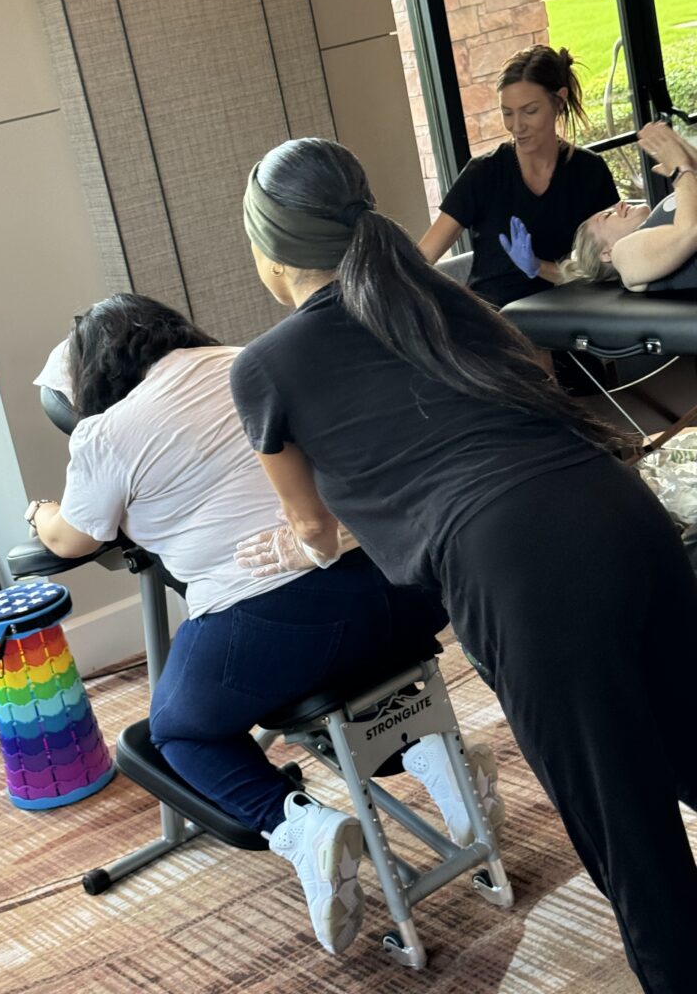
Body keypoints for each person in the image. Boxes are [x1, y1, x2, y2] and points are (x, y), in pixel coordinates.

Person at [230, 137, 697, 994]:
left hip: (520, 571)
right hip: (620, 511)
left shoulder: (264, 366)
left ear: (269, 248)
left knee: (628, 831)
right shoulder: (450, 303)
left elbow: (314, 528)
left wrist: (297, 543)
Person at [25, 293, 503, 957]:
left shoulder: (104, 433)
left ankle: (298, 827)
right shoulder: (257, 360)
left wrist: (40, 511)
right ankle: (435, 760)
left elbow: (72, 538)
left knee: (179, 729)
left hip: (282, 622)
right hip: (401, 588)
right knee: (336, 670)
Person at [418, 44, 619, 308]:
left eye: (530, 111)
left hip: (572, 317)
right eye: (507, 113)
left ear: (559, 100)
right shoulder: (483, 174)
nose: (516, 126)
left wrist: (538, 267)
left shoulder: (590, 171)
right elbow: (422, 257)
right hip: (496, 325)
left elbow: (608, 266)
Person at [563, 121, 697, 290]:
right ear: (606, 253)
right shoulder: (623, 256)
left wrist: (690, 161)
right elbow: (690, 231)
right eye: (607, 215)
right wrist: (680, 168)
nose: (619, 205)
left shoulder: (658, 221)